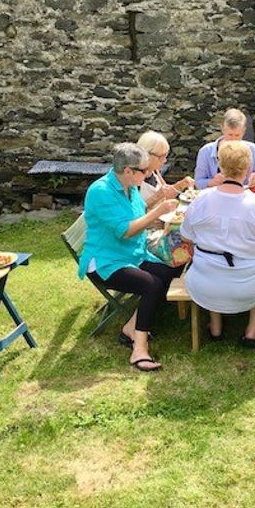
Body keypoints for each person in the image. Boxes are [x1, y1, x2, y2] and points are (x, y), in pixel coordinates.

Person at [77, 143, 182, 372]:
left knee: (171, 270)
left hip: (132, 254)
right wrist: (157, 212)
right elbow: (124, 230)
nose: (148, 174)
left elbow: (137, 213)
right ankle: (139, 350)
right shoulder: (101, 191)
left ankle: (131, 328)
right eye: (143, 170)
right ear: (128, 170)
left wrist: (159, 215)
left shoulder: (130, 187)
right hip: (106, 261)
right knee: (151, 284)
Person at [181, 141, 255, 347]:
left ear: (220, 167)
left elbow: (186, 237)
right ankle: (252, 330)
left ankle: (216, 325)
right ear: (247, 168)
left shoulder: (200, 200)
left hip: (205, 284)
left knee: (211, 263)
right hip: (250, 286)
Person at [194, 108, 255, 189]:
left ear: (244, 131)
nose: (233, 139)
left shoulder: (253, 149)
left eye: (237, 135)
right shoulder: (205, 151)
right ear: (223, 129)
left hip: (243, 196)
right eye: (230, 135)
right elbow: (198, 182)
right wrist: (212, 182)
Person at [136, 131, 194, 208]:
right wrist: (157, 196)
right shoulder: (133, 176)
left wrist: (180, 185)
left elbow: (166, 194)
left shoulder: (154, 171)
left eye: (166, 156)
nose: (165, 160)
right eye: (161, 157)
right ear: (146, 154)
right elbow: (134, 212)